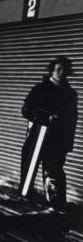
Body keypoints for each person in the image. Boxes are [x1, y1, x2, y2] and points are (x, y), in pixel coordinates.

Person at [20, 56, 78, 207]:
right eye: (58, 69)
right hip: (37, 136)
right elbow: (26, 110)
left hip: (58, 141)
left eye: (64, 69)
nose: (61, 72)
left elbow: (73, 120)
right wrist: (46, 117)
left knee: (53, 175)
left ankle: (53, 208)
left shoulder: (71, 94)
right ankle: (23, 201)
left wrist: (67, 144)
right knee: (28, 172)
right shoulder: (40, 89)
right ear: (52, 70)